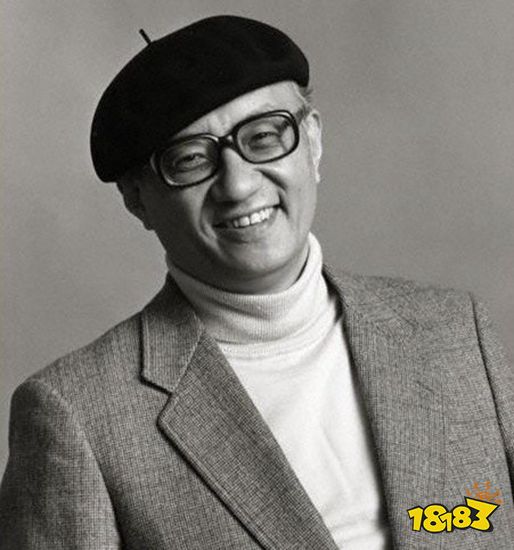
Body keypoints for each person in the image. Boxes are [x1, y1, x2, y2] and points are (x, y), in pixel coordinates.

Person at [0, 14, 512, 550]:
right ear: (137, 200)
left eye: (264, 137)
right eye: (190, 159)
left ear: (312, 141)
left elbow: (475, 522)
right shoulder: (77, 414)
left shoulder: (455, 331)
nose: (239, 185)